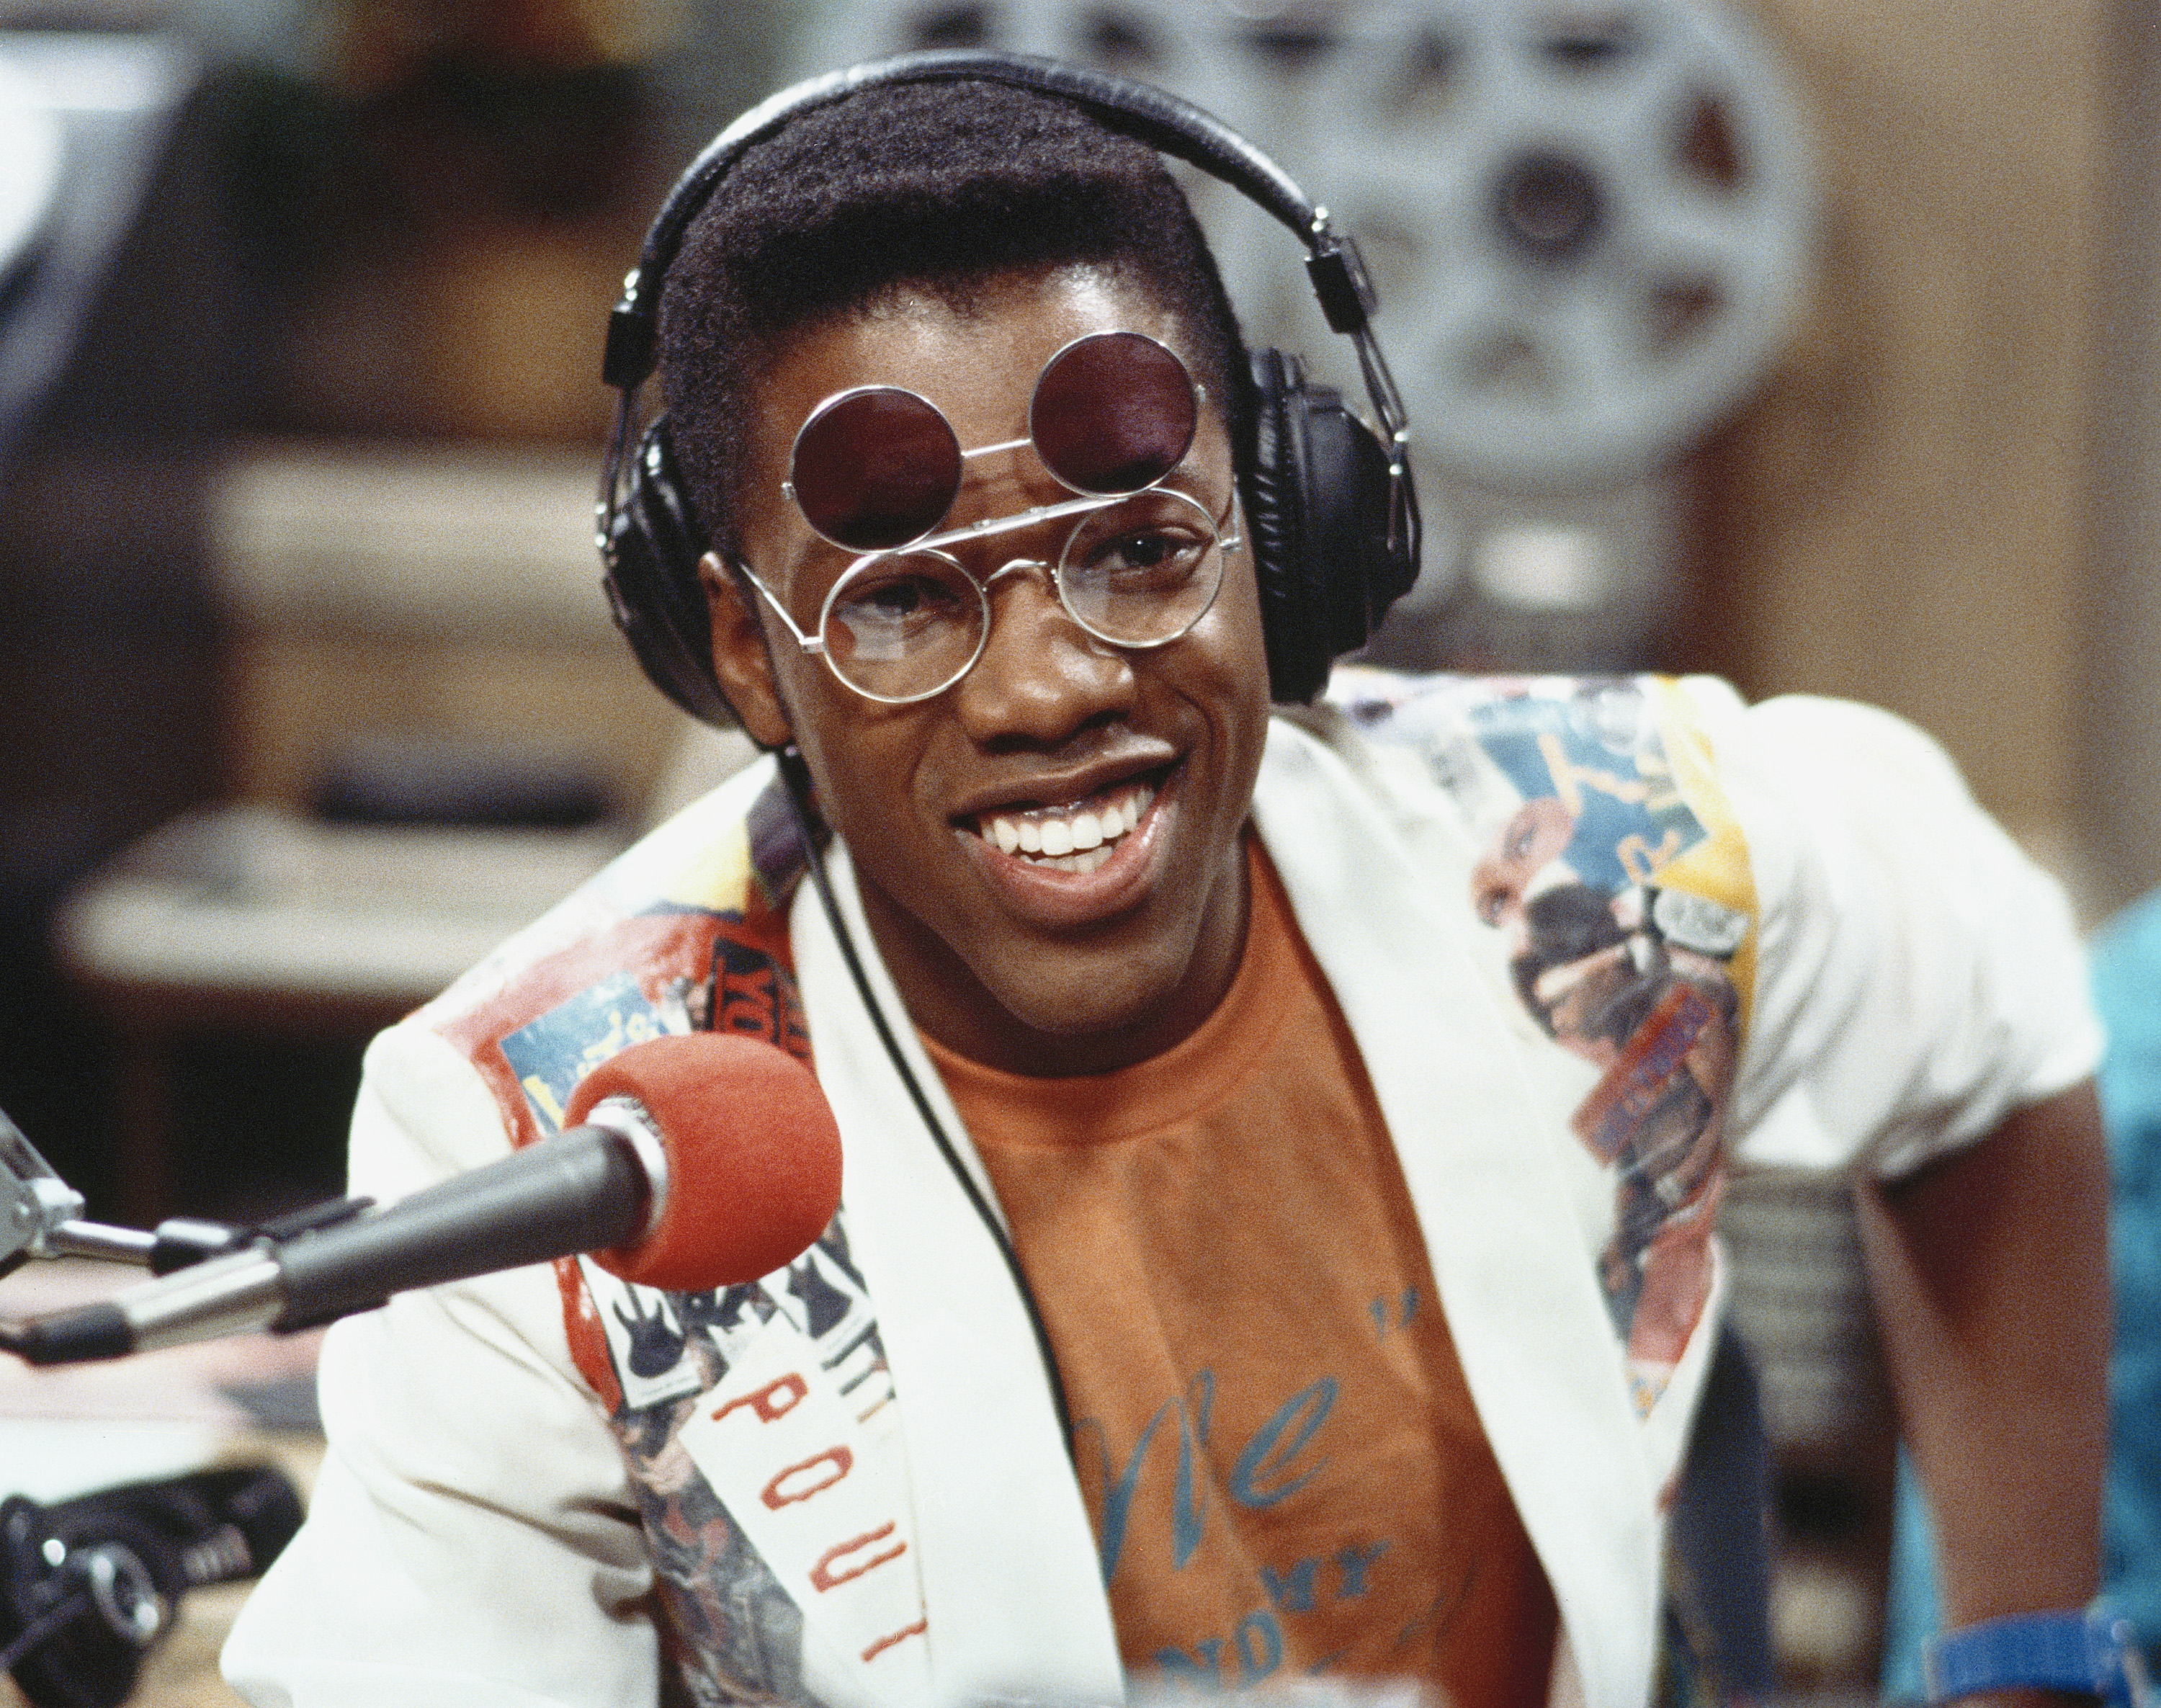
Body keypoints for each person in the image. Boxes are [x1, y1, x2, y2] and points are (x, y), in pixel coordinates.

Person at [222, 57, 2112, 1708]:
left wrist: (2024, 1663)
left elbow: (2000, 1004)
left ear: (1287, 529)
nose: (1050, 682)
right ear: (739, 651)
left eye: (1138, 547)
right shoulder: (546, 1131)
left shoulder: (1604, 854)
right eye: (897, 597)